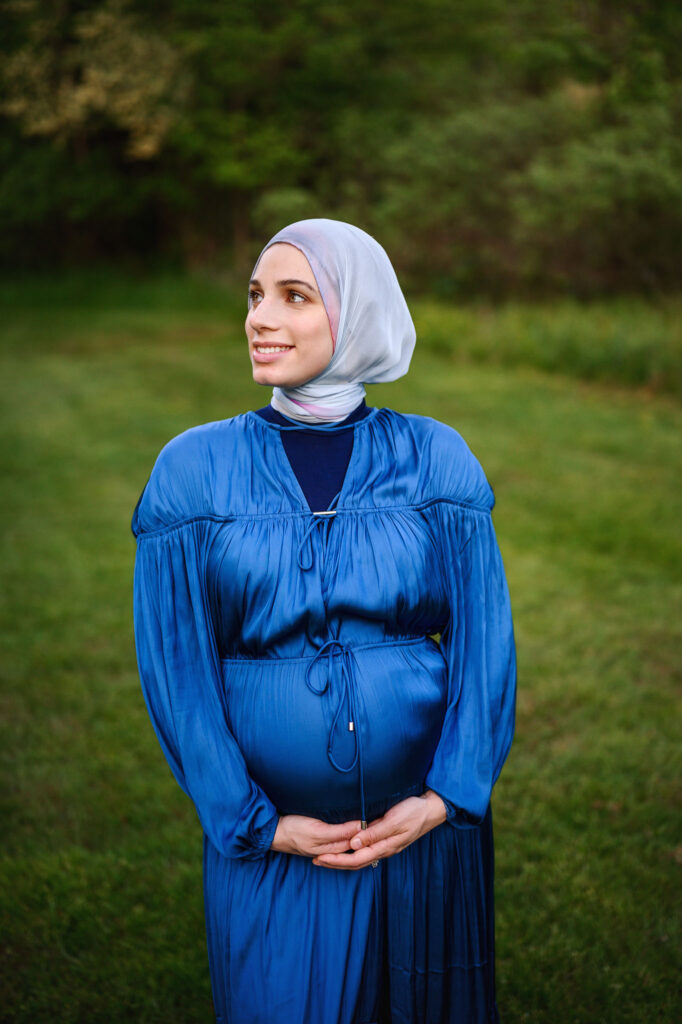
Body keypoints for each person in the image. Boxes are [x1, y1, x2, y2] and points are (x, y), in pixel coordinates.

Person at [132, 218, 516, 1024]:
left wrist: (446, 798)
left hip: (424, 840)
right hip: (271, 846)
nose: (259, 318)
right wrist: (257, 824)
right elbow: (178, 674)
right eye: (255, 296)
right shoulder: (192, 470)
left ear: (359, 313)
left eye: (293, 296)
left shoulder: (436, 458)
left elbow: (486, 647)